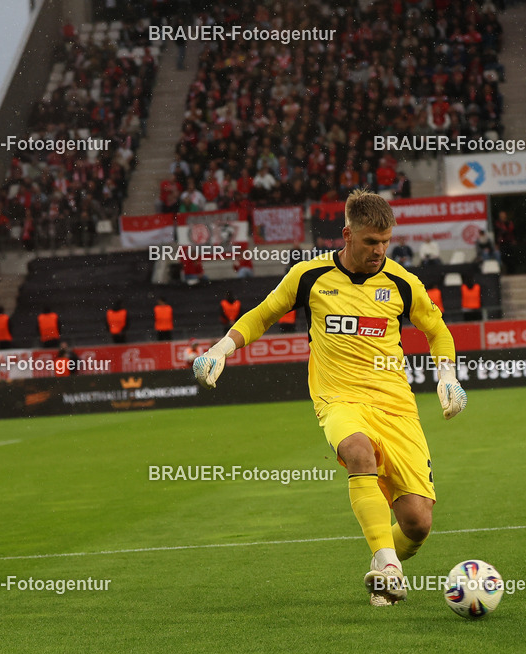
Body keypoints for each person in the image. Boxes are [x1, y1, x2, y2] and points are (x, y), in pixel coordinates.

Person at [191, 189, 468, 607]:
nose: (379, 251)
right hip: (338, 399)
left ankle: (387, 563)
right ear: (346, 234)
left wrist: (447, 376)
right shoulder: (310, 276)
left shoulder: (401, 282)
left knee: (417, 522)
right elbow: (265, 313)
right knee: (358, 452)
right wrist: (221, 349)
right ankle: (388, 567)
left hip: (396, 405)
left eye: (385, 242)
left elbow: (437, 330)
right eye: (370, 241)